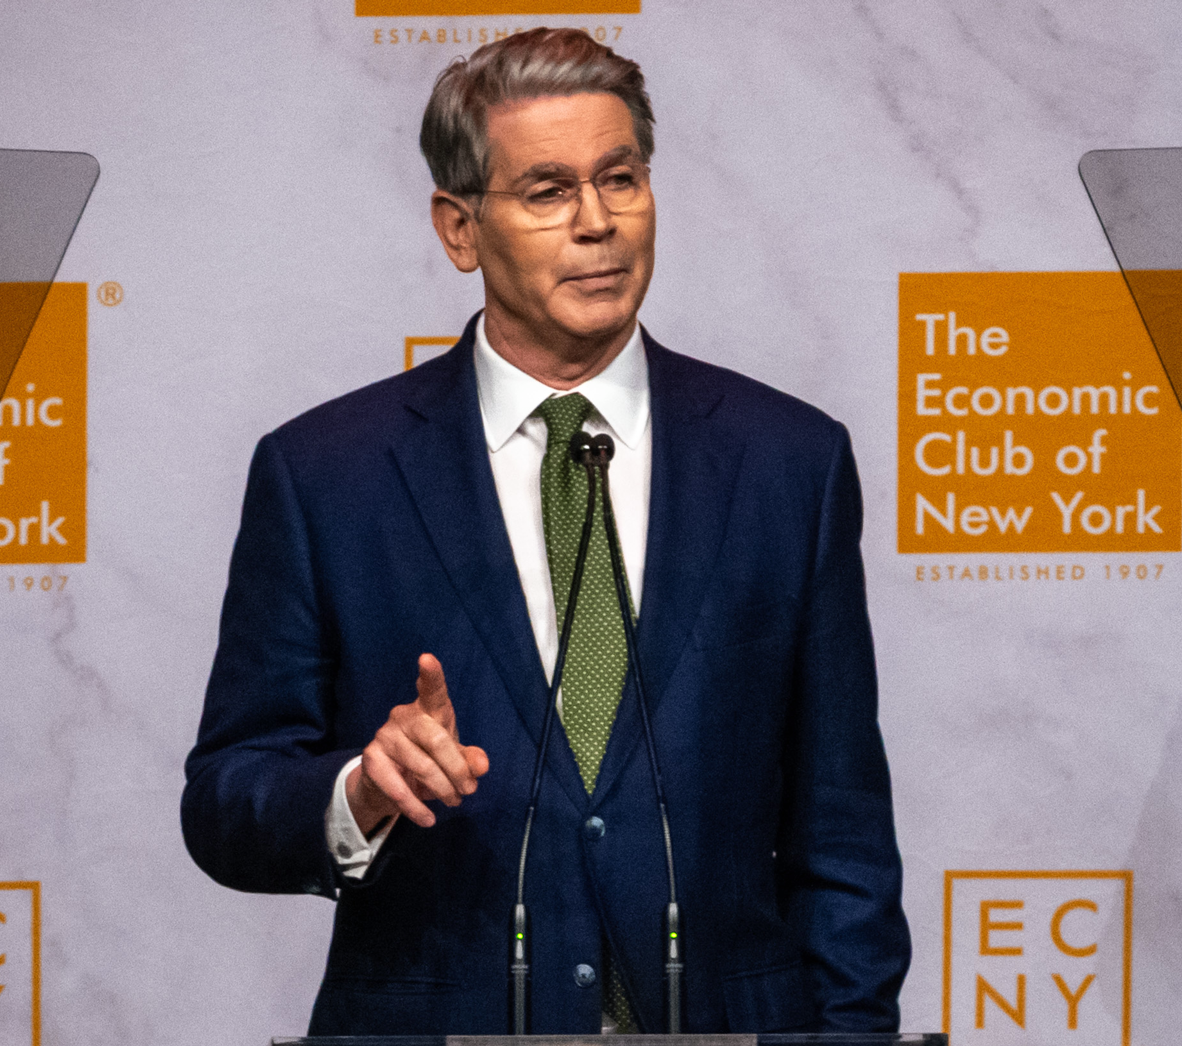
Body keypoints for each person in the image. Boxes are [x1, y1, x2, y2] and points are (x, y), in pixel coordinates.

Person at [182, 28, 910, 1035]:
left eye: (621, 178)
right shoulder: (326, 474)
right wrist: (361, 788)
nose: (598, 223)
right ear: (458, 227)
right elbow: (226, 798)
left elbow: (845, 835)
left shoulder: (789, 461)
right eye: (547, 191)